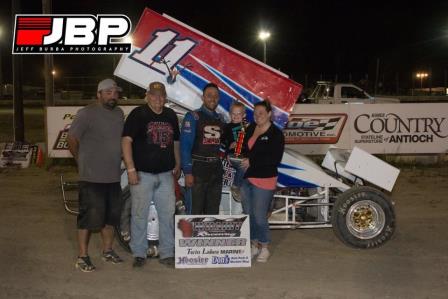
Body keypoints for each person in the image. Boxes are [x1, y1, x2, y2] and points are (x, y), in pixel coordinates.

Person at [67, 78, 125, 272]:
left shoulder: (118, 114)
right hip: (91, 177)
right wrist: (80, 162)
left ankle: (107, 251)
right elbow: (72, 139)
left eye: (115, 92)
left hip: (113, 176)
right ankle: (82, 256)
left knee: (110, 218)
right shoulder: (86, 113)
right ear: (99, 94)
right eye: (108, 92)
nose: (113, 96)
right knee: (88, 218)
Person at [122, 81, 180, 268]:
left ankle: (167, 253)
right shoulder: (138, 114)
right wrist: (130, 169)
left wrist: (177, 163)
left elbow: (176, 142)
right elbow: (126, 141)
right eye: (154, 95)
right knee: (139, 214)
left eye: (161, 95)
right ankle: (139, 253)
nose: (158, 99)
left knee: (167, 214)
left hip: (165, 174)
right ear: (147, 95)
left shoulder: (170, 115)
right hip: (142, 174)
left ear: (165, 97)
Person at [240, 100, 284, 263]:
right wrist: (240, 153)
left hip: (265, 179)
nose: (257, 116)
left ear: (269, 114)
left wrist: (252, 161)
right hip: (247, 178)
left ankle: (264, 246)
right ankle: (254, 245)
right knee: (249, 215)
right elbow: (244, 147)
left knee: (259, 216)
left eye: (261, 113)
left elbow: (275, 159)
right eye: (255, 113)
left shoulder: (276, 134)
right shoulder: (251, 128)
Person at [180, 83, 224, 215]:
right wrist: (187, 172)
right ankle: (191, 236)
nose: (213, 99)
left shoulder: (220, 119)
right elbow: (185, 146)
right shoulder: (193, 117)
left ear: (219, 98)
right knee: (195, 212)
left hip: (216, 170)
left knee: (212, 213)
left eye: (216, 96)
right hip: (197, 170)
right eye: (209, 95)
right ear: (203, 97)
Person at [219, 101, 248, 201]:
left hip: (243, 155)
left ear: (244, 115)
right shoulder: (227, 127)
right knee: (243, 166)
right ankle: (236, 186)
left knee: (247, 166)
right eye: (233, 114)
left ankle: (244, 188)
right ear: (230, 114)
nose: (235, 116)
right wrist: (228, 149)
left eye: (238, 114)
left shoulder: (246, 127)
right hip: (232, 155)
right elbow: (221, 141)